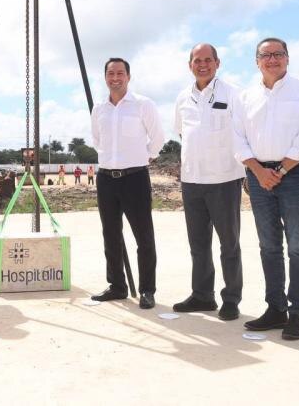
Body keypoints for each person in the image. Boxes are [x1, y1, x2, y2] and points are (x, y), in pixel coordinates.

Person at [233, 37, 299, 340]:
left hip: (294, 176)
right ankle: (275, 308)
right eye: (265, 55)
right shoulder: (245, 96)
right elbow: (237, 138)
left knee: (297, 246)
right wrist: (259, 171)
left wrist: (280, 170)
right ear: (256, 61)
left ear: (288, 58)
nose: (272, 60)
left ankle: (298, 314)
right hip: (257, 176)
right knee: (268, 246)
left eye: (278, 54)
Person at [172, 43, 246, 320]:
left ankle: (231, 299)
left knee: (229, 243)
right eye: (196, 60)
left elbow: (242, 131)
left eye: (207, 60)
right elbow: (182, 132)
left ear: (218, 62)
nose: (202, 65)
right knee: (198, 243)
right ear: (189, 64)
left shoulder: (234, 94)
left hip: (225, 178)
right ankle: (203, 296)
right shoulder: (182, 97)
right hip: (192, 180)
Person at [91, 58, 165, 309]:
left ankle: (147, 290)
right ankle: (117, 286)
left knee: (143, 236)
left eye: (120, 73)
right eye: (110, 73)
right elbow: (96, 139)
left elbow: (157, 139)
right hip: (106, 179)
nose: (115, 77)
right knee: (110, 235)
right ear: (105, 77)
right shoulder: (99, 107)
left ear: (128, 76)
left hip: (135, 178)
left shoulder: (143, 104)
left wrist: (142, 158)